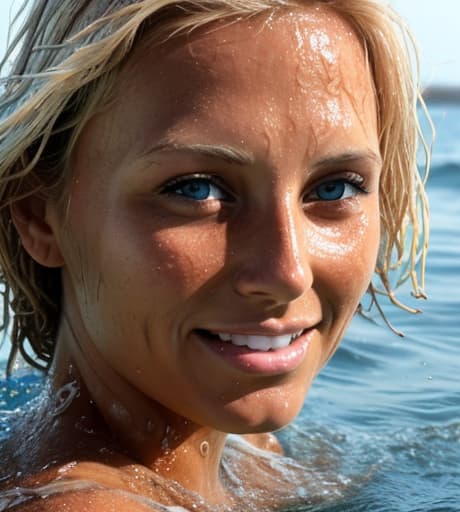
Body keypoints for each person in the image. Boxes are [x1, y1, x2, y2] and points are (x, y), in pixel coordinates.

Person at [0, 0, 431, 510]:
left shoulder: (250, 456)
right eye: (196, 189)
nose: (288, 272)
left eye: (336, 188)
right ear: (39, 214)